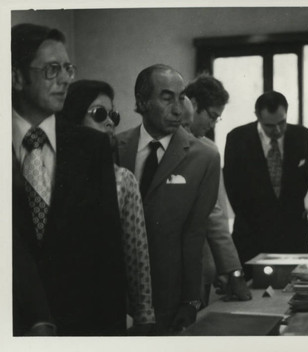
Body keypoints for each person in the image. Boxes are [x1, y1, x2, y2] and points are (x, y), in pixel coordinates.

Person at [12, 23, 126, 335]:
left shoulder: (91, 147)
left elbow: (108, 256)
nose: (65, 79)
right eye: (52, 69)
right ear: (16, 76)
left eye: (67, 68)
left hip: (80, 326)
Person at [116, 64, 220, 334]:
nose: (178, 108)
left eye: (181, 96)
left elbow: (194, 234)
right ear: (142, 101)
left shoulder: (205, 158)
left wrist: (190, 299)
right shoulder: (114, 147)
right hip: (115, 294)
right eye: (166, 97)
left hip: (169, 296)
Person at [58, 80, 155, 333]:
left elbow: (137, 255)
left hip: (104, 308)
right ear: (73, 117)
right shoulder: (49, 173)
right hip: (56, 308)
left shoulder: (122, 179)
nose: (110, 122)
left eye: (113, 115)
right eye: (100, 114)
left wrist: (144, 315)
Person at [223, 91, 308, 278]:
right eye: (270, 126)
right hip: (252, 234)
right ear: (257, 116)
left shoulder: (302, 135)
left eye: (282, 123)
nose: (278, 130)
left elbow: (304, 181)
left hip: (292, 234)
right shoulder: (237, 139)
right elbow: (232, 187)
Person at [184, 75, 251, 304]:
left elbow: (216, 214)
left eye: (217, 119)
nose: (213, 124)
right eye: (212, 116)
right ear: (192, 104)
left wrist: (230, 270)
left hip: (201, 266)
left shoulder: (208, 150)